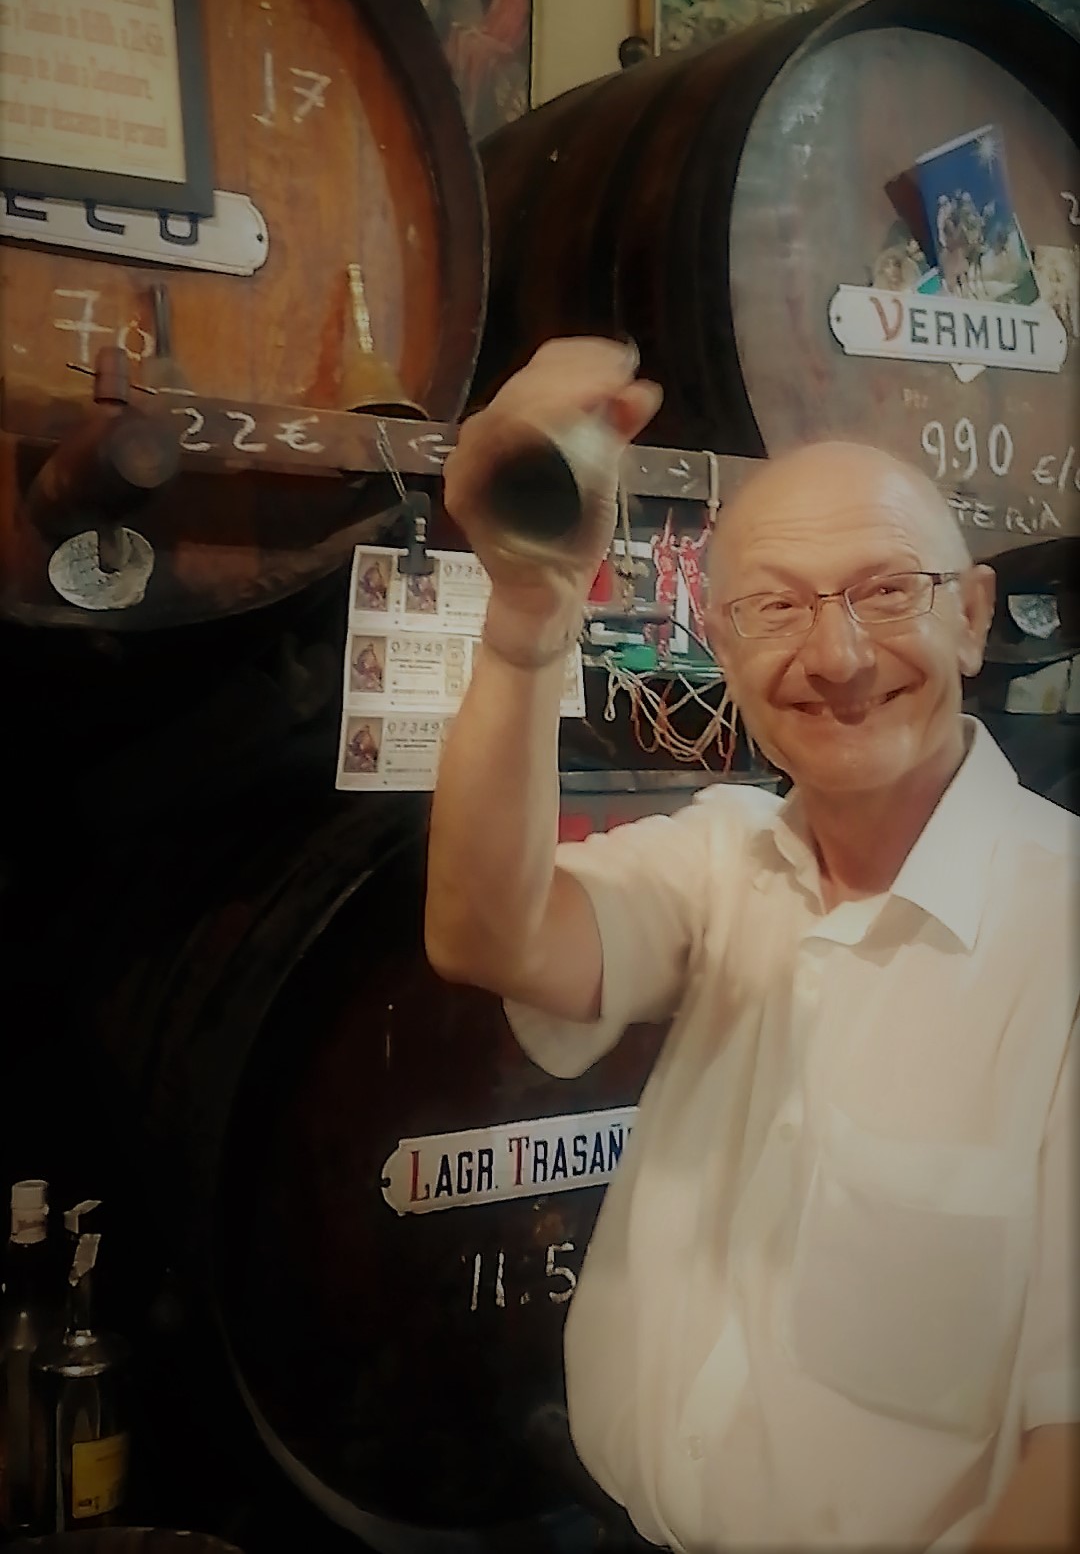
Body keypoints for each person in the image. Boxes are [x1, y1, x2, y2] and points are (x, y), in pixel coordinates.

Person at [425, 338, 1078, 1552]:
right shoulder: (724, 858)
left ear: (975, 617)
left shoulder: (1063, 937)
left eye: (890, 591)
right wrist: (526, 616)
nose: (837, 658)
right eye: (775, 608)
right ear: (723, 653)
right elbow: (486, 933)